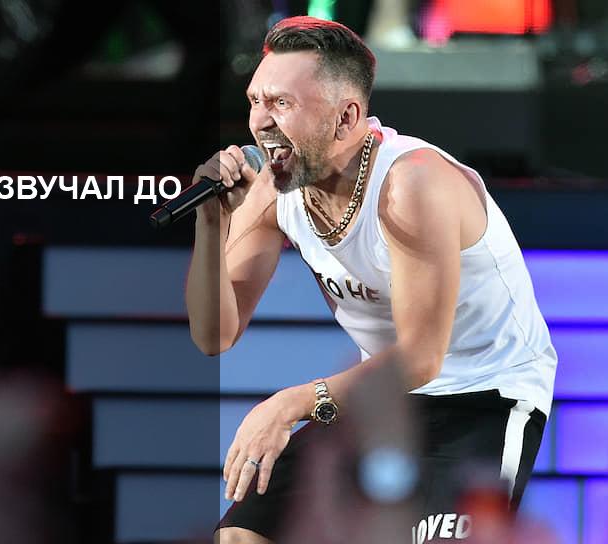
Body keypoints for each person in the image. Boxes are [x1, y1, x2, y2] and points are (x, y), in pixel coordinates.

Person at [185, 16, 557, 544]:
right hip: (383, 397)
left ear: (346, 117)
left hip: (483, 394)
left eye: (281, 103)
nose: (261, 122)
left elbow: (422, 357)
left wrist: (289, 404)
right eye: (255, 101)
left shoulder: (412, 184)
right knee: (240, 537)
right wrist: (209, 224)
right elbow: (213, 334)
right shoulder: (275, 189)